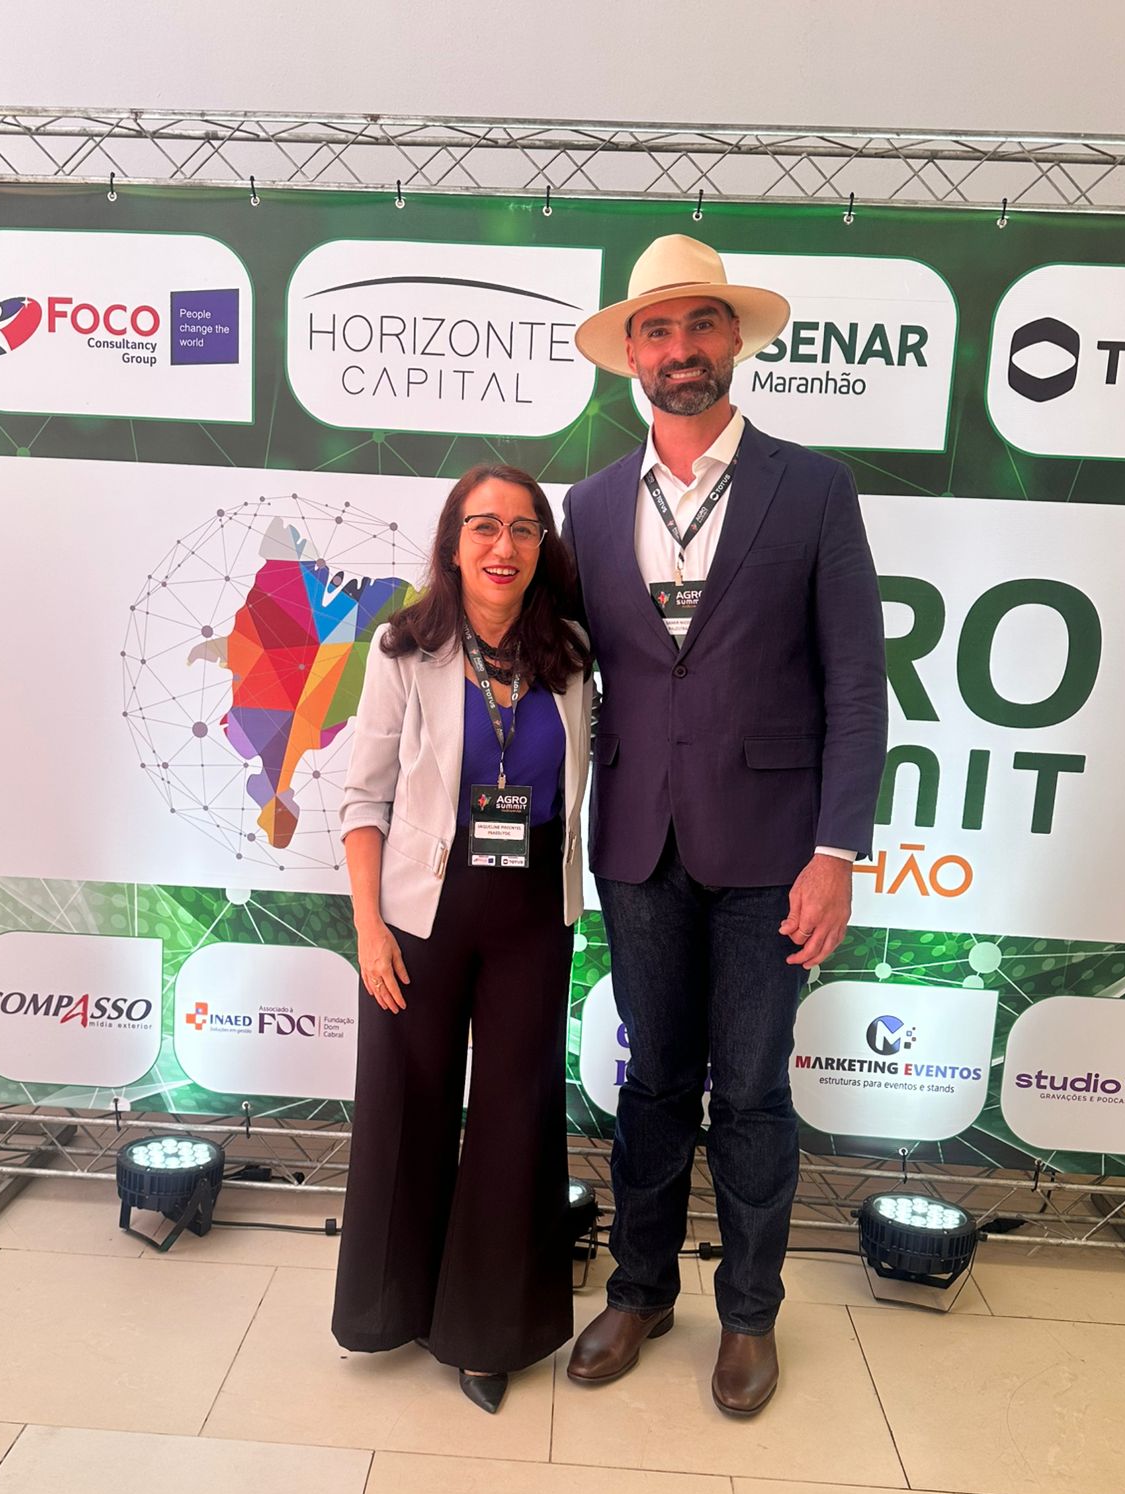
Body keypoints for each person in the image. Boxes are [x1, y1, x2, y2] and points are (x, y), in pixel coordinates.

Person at [562, 235, 888, 1414]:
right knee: (653, 1080)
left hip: (774, 849)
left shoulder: (814, 488)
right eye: (656, 329)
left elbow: (856, 682)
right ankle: (640, 1290)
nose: (680, 347)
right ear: (631, 356)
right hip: (638, 843)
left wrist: (836, 852)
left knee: (749, 1089)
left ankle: (749, 1314)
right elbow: (562, 667)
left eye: (701, 323)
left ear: (734, 339)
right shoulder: (590, 504)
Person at [331, 463, 593, 1415]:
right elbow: (362, 800)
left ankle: (488, 1335)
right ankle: (393, 1306)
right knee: (408, 1103)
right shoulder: (405, 648)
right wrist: (369, 931)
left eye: (523, 529)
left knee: (516, 1118)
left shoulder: (570, 652)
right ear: (452, 542)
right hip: (420, 914)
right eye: (484, 526)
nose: (503, 546)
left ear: (541, 548)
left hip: (532, 911)